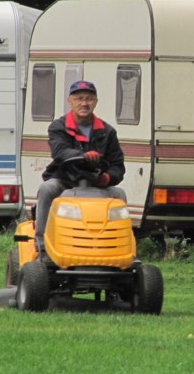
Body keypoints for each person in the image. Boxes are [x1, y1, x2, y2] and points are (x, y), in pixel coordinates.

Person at [33, 80, 126, 257]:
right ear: (70, 101)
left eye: (89, 99)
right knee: (47, 189)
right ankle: (42, 244)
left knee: (119, 194)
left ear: (96, 102)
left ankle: (117, 245)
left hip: (95, 183)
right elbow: (60, 152)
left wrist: (107, 178)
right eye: (79, 98)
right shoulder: (58, 127)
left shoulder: (108, 132)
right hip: (65, 180)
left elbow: (118, 166)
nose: (84, 103)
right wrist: (83, 156)